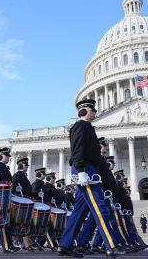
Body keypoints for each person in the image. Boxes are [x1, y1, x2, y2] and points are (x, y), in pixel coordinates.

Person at [58, 99, 125, 258]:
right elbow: (78, 149)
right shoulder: (80, 126)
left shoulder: (87, 128)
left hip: (88, 169)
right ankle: (111, 245)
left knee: (79, 212)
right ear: (84, 111)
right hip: (85, 170)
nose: (95, 112)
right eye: (92, 110)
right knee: (99, 207)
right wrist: (81, 170)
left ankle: (65, 245)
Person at [0, 147, 20, 253]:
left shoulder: (5, 168)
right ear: (1, 156)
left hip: (4, 199)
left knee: (3, 223)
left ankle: (5, 246)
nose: (9, 158)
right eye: (7, 156)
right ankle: (6, 246)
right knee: (1, 223)